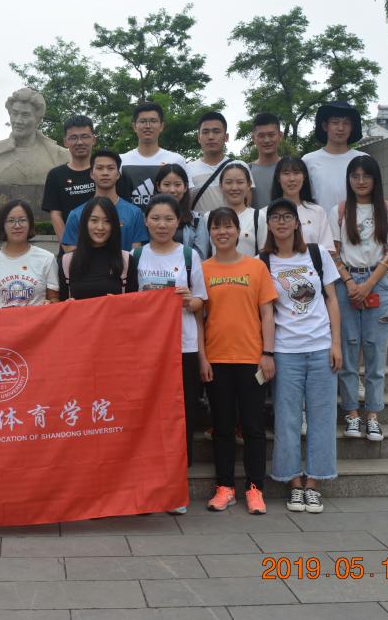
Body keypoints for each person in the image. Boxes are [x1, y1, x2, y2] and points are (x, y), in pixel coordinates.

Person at [261, 198, 342, 514]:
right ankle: (294, 483)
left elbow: (332, 300)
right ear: (268, 224)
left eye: (287, 216)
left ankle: (314, 483)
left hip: (320, 348)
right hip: (286, 351)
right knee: (287, 419)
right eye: (275, 217)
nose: (281, 222)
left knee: (323, 418)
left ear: (297, 222)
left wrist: (336, 344)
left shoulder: (317, 254)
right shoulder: (262, 261)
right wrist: (267, 352)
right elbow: (266, 311)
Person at [200, 207, 277, 513]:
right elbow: (198, 319)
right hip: (217, 359)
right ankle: (225, 487)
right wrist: (202, 358)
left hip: (251, 359)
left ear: (238, 231)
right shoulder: (202, 269)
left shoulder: (256, 267)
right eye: (216, 227)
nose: (222, 232)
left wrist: (267, 353)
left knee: (254, 427)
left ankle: (255, 488)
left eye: (228, 226)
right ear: (210, 232)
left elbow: (267, 313)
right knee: (222, 427)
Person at [135, 194, 207, 514]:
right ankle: (148, 488)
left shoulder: (190, 256)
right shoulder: (136, 257)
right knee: (149, 417)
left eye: (168, 219)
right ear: (146, 221)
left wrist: (189, 300)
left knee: (182, 416)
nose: (162, 225)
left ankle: (176, 488)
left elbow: (201, 303)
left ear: (178, 221)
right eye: (155, 218)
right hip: (147, 350)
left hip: (183, 347)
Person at [332, 156, 388, 442]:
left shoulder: (387, 209)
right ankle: (351, 413)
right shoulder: (339, 210)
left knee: (375, 354)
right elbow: (332, 251)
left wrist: (369, 284)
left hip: (378, 284)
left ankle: (373, 415)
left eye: (366, 176)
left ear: (376, 179)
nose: (360, 181)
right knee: (348, 352)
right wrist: (351, 282)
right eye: (355, 176)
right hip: (346, 285)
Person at [0, 199, 59, 308]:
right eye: (11, 221)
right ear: (2, 225)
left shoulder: (47, 259)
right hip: (0, 319)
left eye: (22, 220)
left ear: (30, 223)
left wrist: (50, 303)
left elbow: (54, 299)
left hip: (36, 319)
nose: (17, 225)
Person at [61, 150, 148, 253]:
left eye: (110, 168)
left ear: (118, 174)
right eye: (99, 168)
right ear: (92, 174)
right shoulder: (76, 214)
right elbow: (71, 253)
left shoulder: (135, 213)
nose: (105, 173)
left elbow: (136, 253)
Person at [57, 197, 139, 300]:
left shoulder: (126, 261)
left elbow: (134, 305)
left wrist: (119, 303)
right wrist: (67, 304)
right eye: (94, 220)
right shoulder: (67, 262)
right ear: (84, 223)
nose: (100, 227)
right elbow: (60, 303)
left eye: (107, 221)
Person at [257, 157, 334, 252]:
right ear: (278, 178)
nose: (292, 179)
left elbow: (328, 250)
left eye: (296, 173)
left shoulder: (317, 211)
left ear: (304, 177)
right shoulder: (263, 214)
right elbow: (263, 251)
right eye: (286, 173)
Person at [302, 101, 365, 216]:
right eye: (335, 122)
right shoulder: (308, 160)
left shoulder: (362, 159)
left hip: (356, 224)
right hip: (320, 224)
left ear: (352, 127)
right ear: (325, 126)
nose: (341, 128)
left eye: (346, 123)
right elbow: (303, 199)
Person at [121, 102, 187, 209]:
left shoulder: (176, 160)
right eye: (143, 121)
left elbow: (186, 198)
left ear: (161, 126)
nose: (148, 126)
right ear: (134, 126)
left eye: (153, 121)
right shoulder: (121, 160)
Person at [41, 115, 98, 239]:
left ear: (93, 139)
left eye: (85, 136)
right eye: (73, 138)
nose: (79, 142)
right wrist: (68, 245)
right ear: (65, 141)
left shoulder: (105, 171)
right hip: (71, 246)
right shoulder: (55, 175)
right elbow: (55, 215)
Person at [186, 111, 249, 214]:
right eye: (205, 132)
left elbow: (247, 205)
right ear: (198, 137)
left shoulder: (240, 166)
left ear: (226, 137)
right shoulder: (188, 169)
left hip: (234, 224)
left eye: (216, 131)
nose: (211, 137)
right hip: (198, 224)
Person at [202, 163, 262, 257]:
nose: (234, 188)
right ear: (221, 185)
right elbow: (204, 254)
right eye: (229, 182)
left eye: (240, 182)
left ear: (249, 185)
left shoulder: (259, 216)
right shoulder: (208, 217)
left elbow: (264, 254)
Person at [153, 164, 210, 259]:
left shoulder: (196, 219)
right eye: (166, 184)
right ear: (158, 186)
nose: (172, 190)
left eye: (177, 184)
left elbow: (200, 256)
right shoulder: (147, 218)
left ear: (185, 187)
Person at [248, 113, 284, 210]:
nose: (267, 140)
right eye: (261, 136)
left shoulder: (291, 169)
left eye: (271, 135)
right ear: (253, 138)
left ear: (280, 135)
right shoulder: (246, 171)